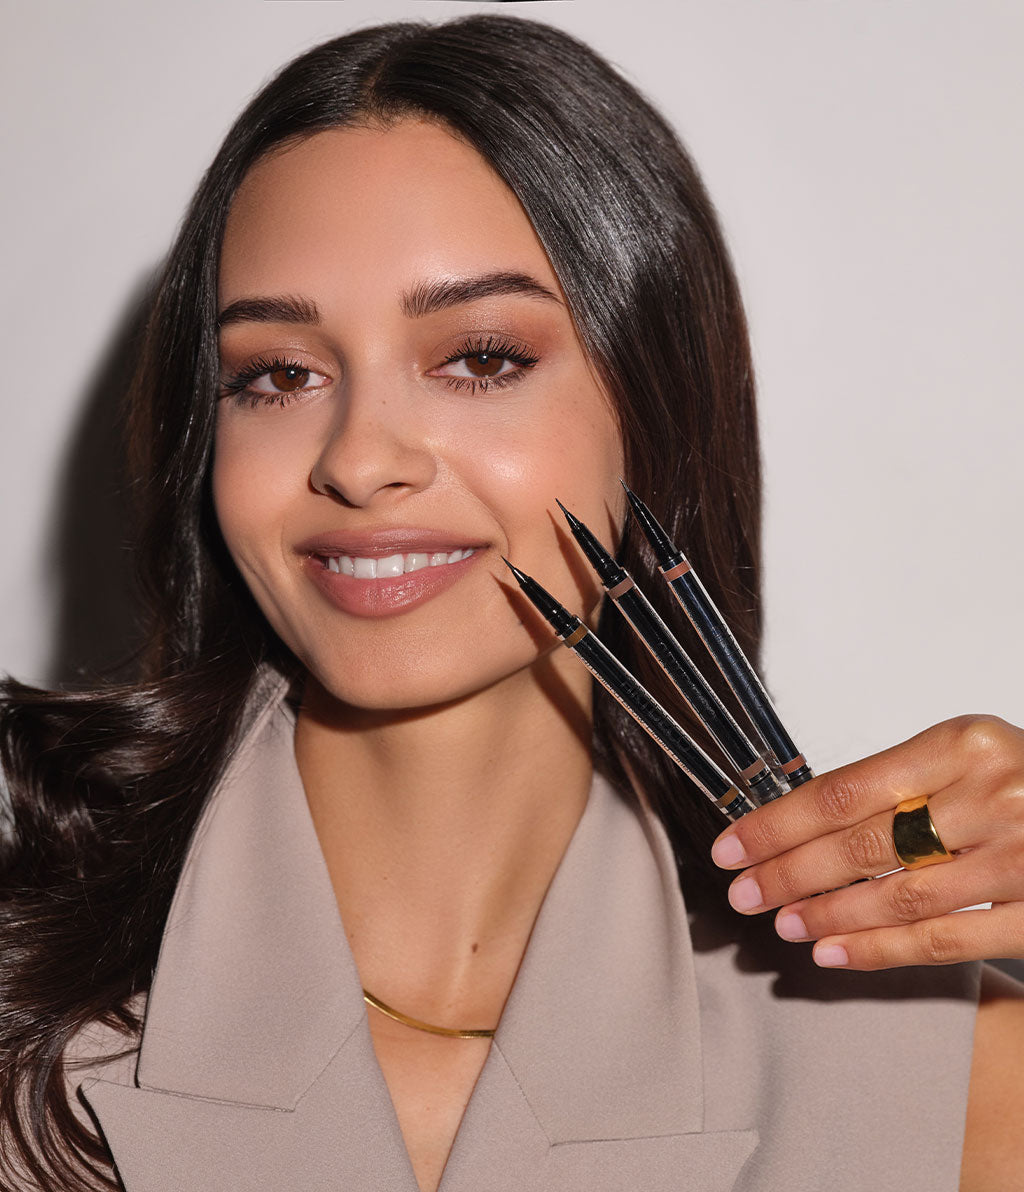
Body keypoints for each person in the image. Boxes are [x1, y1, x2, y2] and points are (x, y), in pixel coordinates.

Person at [1, 14, 1022, 1192]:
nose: (360, 458)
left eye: (480, 357)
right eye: (278, 373)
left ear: (657, 403)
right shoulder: (30, 987)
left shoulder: (948, 1089)